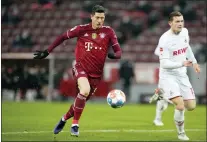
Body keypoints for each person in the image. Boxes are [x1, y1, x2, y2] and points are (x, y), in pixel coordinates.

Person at [33, 5, 122, 137]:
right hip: (80, 67)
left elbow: (119, 52)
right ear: (91, 17)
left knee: (81, 101)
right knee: (84, 91)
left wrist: (113, 55)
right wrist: (47, 51)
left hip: (96, 74)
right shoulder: (81, 29)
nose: (100, 20)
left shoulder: (108, 31)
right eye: (97, 17)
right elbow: (63, 37)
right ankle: (75, 125)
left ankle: (64, 119)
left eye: (102, 18)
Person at [149, 11, 200, 141]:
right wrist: (182, 63)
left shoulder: (185, 32)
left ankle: (164, 96)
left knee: (191, 106)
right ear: (170, 23)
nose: (180, 24)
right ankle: (181, 133)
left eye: (182, 21)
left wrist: (194, 62)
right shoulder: (164, 40)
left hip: (182, 74)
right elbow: (164, 63)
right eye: (177, 21)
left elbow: (186, 47)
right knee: (180, 105)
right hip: (168, 75)